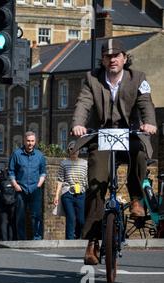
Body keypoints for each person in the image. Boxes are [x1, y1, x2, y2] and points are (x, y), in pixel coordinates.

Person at [71, 38, 157, 265]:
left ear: (124, 58)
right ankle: (92, 241)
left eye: (116, 56)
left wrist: (149, 123)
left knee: (139, 154)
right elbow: (83, 103)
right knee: (95, 183)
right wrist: (78, 124)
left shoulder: (138, 78)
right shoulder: (92, 79)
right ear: (103, 59)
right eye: (108, 57)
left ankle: (136, 199)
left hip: (129, 136)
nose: (112, 60)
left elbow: (146, 104)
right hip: (102, 137)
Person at [8, 131, 47, 240]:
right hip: (21, 189)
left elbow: (43, 172)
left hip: (36, 189)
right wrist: (15, 185)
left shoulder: (40, 155)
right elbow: (11, 171)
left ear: (35, 142)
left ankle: (37, 238)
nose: (30, 143)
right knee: (20, 216)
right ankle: (21, 238)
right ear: (24, 141)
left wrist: (39, 184)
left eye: (32, 141)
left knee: (37, 216)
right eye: (28, 141)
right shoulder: (16, 154)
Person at [53, 141, 88, 240]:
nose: (74, 151)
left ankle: (77, 238)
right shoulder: (64, 163)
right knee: (71, 218)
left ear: (79, 150)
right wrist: (56, 196)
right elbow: (60, 180)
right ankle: (69, 241)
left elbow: (87, 180)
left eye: (76, 149)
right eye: (72, 149)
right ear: (68, 150)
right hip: (67, 193)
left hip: (81, 193)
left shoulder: (85, 163)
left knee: (81, 220)